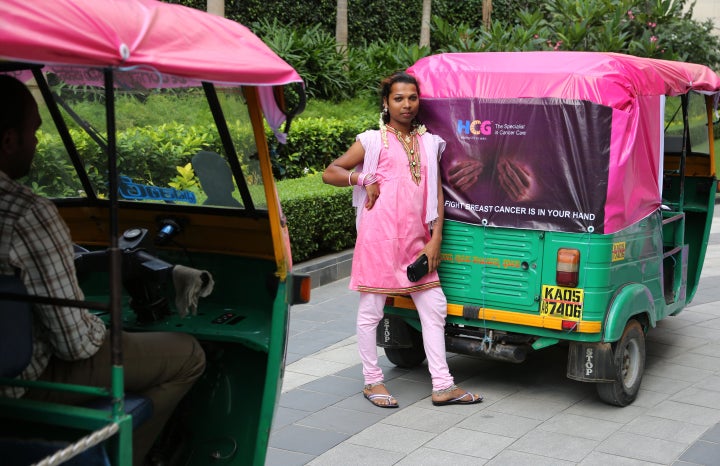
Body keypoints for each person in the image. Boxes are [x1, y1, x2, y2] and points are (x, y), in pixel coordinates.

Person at [0, 75, 206, 465]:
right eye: (33, 132)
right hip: (20, 383)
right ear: (10, 140)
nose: (38, 143)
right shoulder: (27, 213)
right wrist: (104, 323)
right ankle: (123, 457)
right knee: (188, 354)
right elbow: (74, 344)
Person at [322, 71, 482, 408]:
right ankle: (372, 381)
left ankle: (442, 385)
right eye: (398, 98)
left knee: (435, 306)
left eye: (412, 98)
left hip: (416, 240)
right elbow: (330, 172)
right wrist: (362, 177)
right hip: (378, 239)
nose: (406, 104)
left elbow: (435, 194)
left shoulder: (430, 142)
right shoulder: (371, 140)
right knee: (371, 311)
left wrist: (436, 239)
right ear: (386, 103)